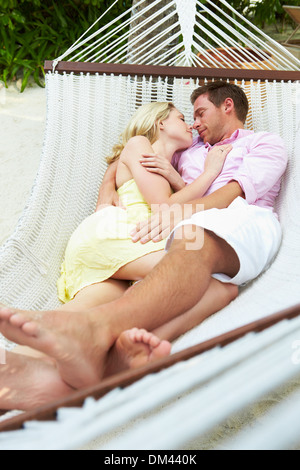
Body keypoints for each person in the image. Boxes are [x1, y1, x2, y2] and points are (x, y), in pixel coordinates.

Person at [0, 81, 288, 410]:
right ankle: (60, 362)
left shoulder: (264, 143)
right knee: (205, 273)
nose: (194, 122)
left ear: (228, 106)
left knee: (192, 251)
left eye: (199, 113)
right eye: (188, 117)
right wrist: (112, 187)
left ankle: (66, 352)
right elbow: (141, 168)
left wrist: (180, 201)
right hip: (156, 232)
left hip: (230, 221)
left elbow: (227, 196)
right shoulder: (187, 153)